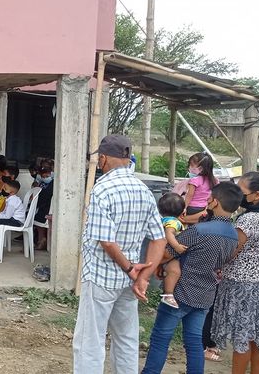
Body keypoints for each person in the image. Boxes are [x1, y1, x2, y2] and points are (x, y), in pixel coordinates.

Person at [73, 135, 165, 374]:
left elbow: (106, 241)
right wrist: (142, 276)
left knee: (90, 341)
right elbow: (159, 238)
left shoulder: (102, 189)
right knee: (126, 338)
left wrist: (130, 268)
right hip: (130, 281)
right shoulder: (143, 190)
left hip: (102, 276)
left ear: (103, 158)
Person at [141, 182, 244, 374]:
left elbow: (166, 253)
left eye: (209, 198)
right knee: (194, 341)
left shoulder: (199, 231)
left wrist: (162, 265)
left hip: (179, 293)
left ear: (215, 202)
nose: (207, 201)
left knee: (161, 338)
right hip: (205, 294)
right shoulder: (233, 235)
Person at [212, 171, 259, 374]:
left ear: (256, 195)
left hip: (241, 286)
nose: (238, 196)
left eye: (241, 192)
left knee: (242, 338)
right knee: (257, 337)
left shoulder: (248, 220)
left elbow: (232, 251)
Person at [157, 193, 187, 309]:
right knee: (175, 271)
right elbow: (169, 234)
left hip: (160, 249)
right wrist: (177, 247)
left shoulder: (164, 220)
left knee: (170, 271)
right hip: (169, 250)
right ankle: (168, 294)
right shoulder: (174, 222)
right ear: (181, 211)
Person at [183, 153, 218, 223]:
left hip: (191, 207)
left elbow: (190, 195)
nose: (189, 167)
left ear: (200, 168)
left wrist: (184, 207)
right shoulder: (214, 180)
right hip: (203, 208)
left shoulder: (195, 180)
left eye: (192, 165)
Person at [33, 165, 55, 250]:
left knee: (37, 217)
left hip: (48, 208)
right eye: (43, 176)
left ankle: (41, 240)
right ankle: (40, 240)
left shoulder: (53, 183)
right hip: (43, 206)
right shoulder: (42, 183)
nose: (45, 178)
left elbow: (46, 196)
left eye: (47, 175)